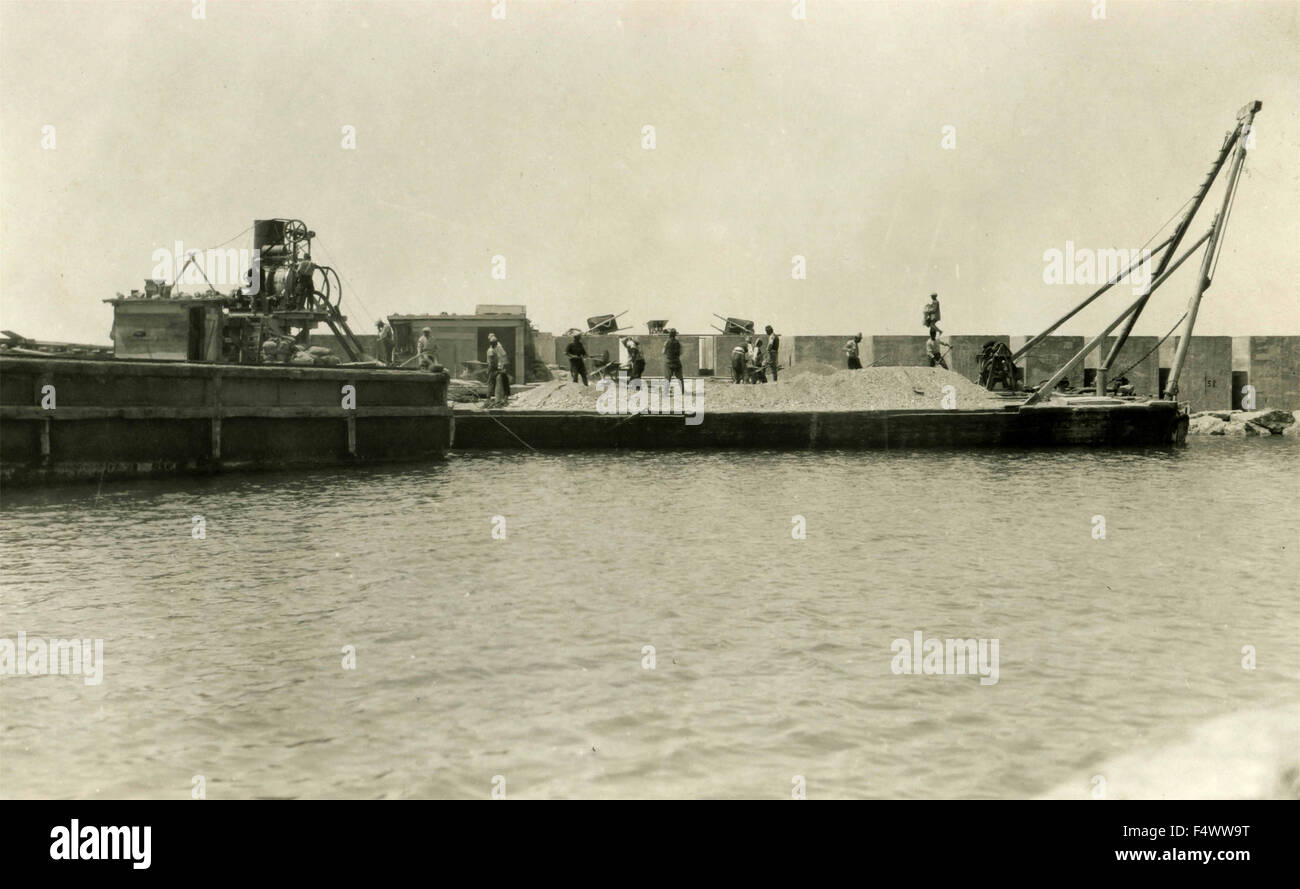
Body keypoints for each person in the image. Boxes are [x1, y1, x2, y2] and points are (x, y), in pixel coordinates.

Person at [486, 333, 510, 404]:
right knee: (491, 382)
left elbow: (503, 356)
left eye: (495, 343)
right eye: (494, 343)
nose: (495, 344)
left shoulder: (498, 347)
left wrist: (501, 368)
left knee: (505, 379)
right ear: (491, 343)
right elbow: (492, 362)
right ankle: (488, 398)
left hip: (498, 368)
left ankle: (505, 397)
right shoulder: (490, 351)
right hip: (494, 369)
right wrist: (496, 369)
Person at [663, 328, 685, 394]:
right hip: (676, 362)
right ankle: (683, 392)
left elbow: (663, 352)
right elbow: (681, 352)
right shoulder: (678, 342)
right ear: (675, 335)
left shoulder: (666, 342)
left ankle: (665, 393)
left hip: (668, 362)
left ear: (669, 335)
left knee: (667, 378)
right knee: (680, 378)